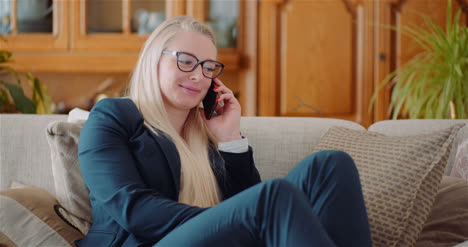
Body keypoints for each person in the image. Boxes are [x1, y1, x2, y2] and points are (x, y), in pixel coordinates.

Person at [76, 16, 372, 247]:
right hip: (144, 242)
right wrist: (232, 218)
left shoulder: (206, 131)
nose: (198, 75)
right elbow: (133, 210)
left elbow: (244, 200)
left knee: (331, 165)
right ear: (154, 59)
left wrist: (230, 138)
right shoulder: (113, 117)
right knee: (272, 196)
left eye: (208, 67)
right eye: (186, 61)